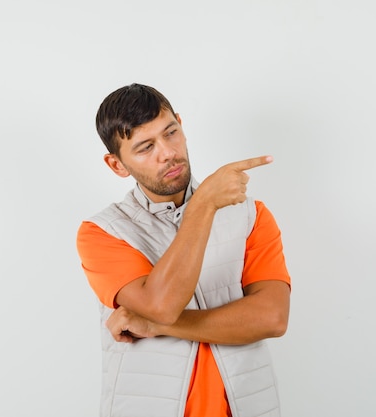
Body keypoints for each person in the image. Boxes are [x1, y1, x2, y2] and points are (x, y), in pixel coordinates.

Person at [76, 83, 291, 417]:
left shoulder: (251, 216)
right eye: (145, 147)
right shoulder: (102, 232)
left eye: (171, 132)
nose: (167, 152)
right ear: (117, 165)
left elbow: (272, 318)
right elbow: (161, 305)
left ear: (181, 124)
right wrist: (203, 204)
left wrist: (159, 326)